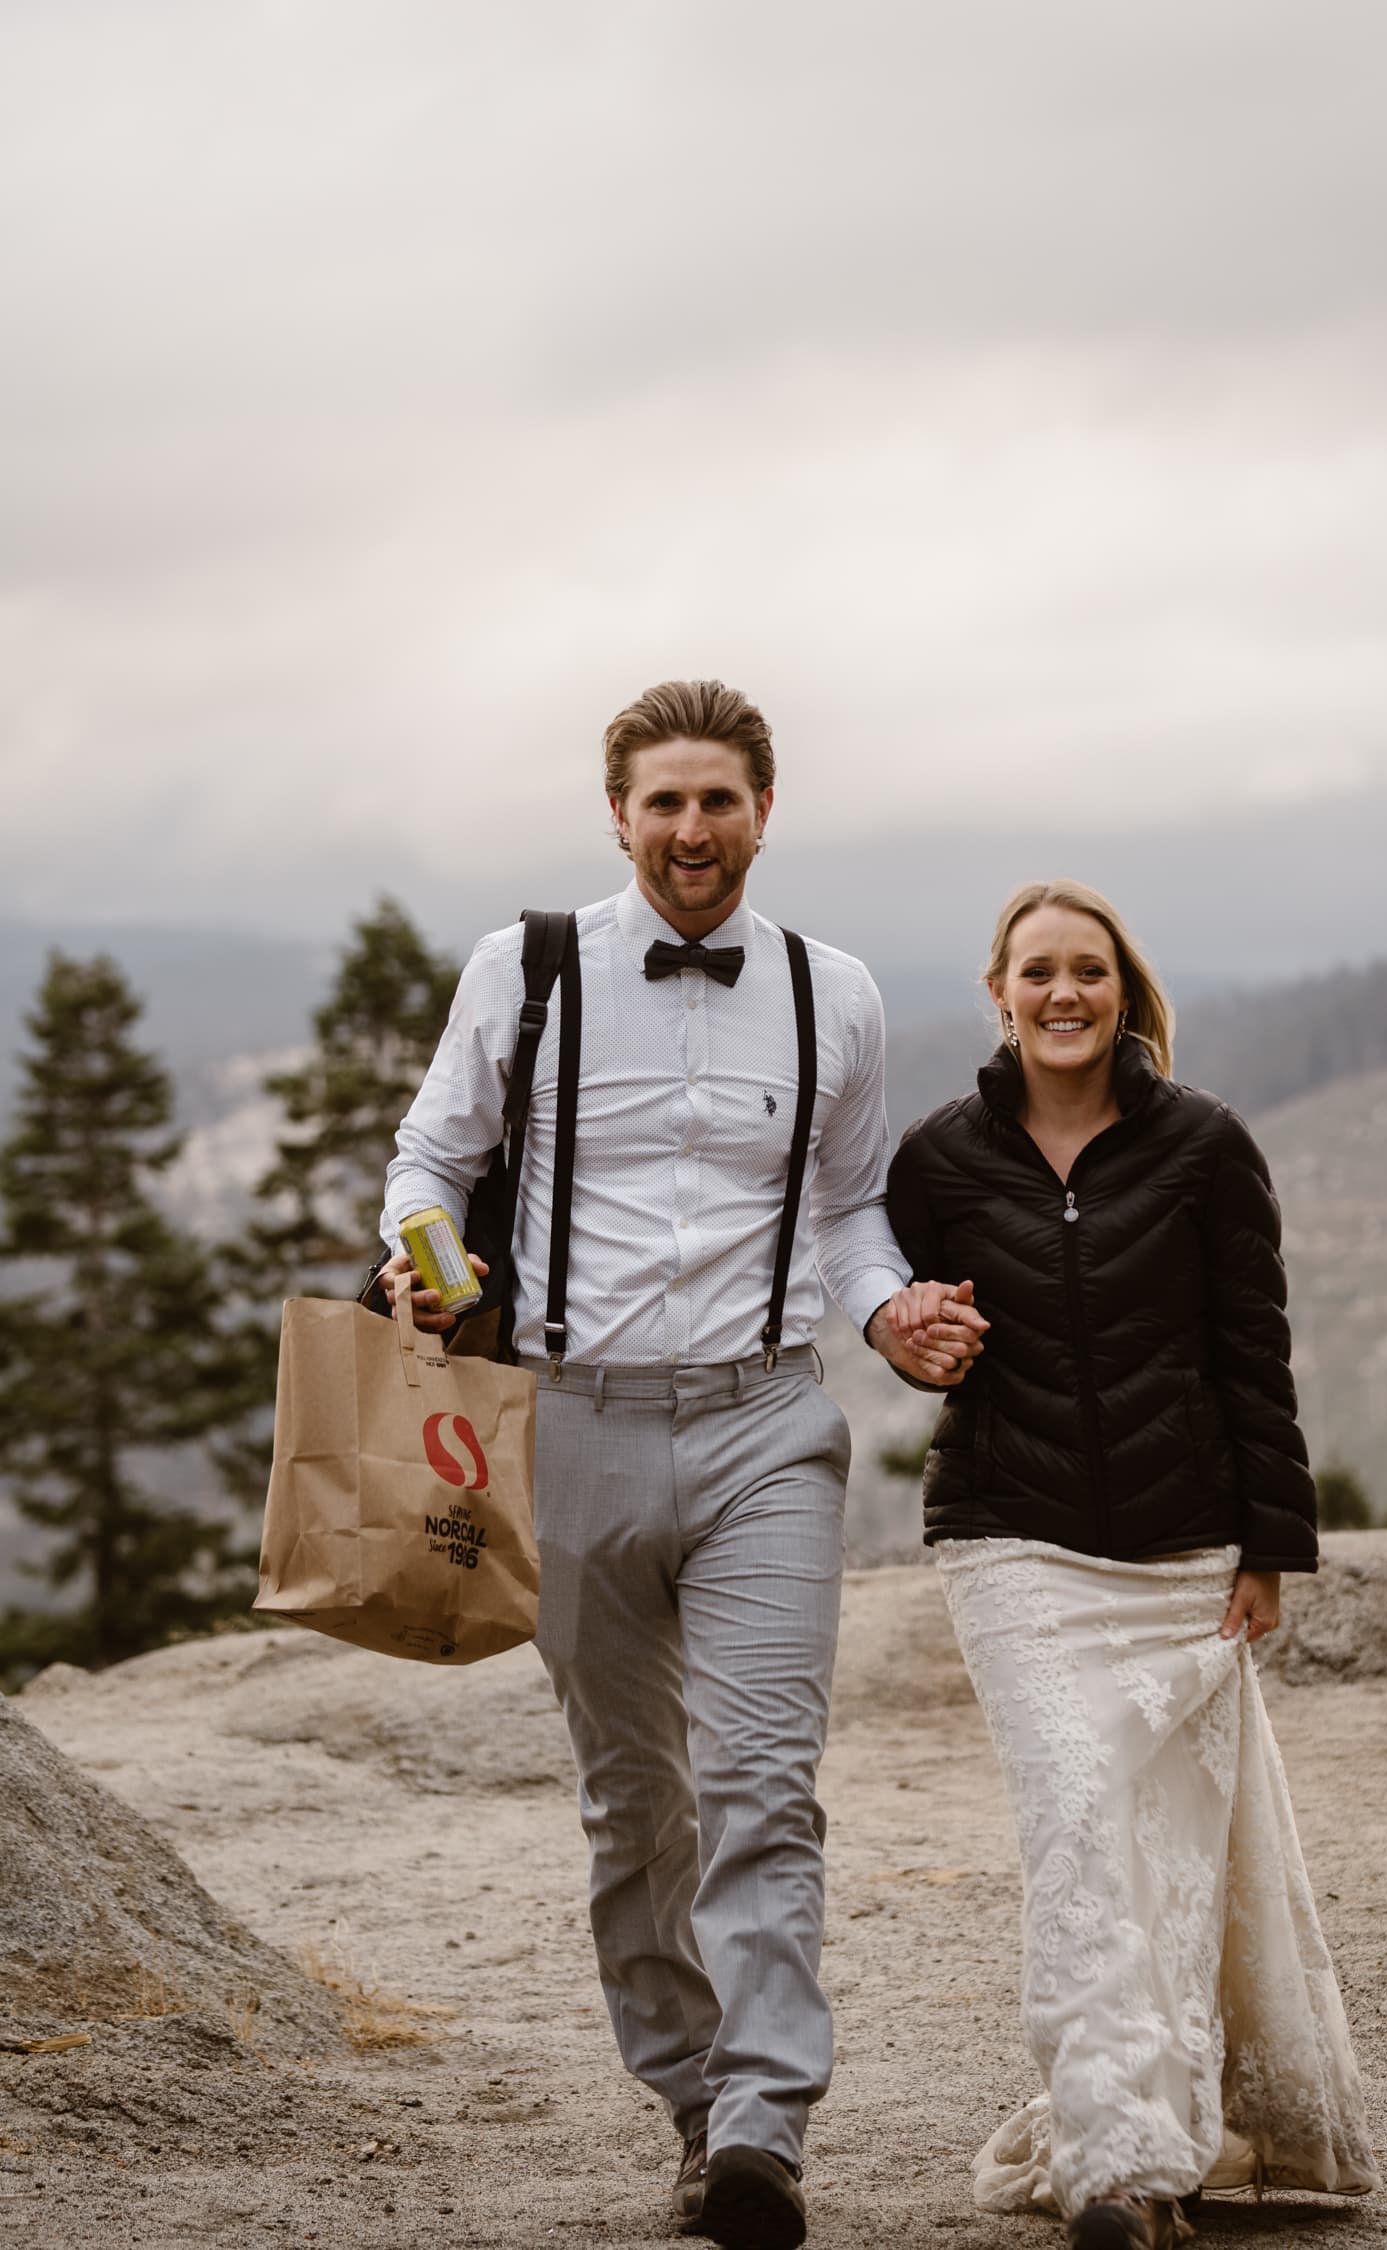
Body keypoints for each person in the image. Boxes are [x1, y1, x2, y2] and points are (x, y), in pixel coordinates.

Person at [372, 680, 987, 2250]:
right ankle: (693, 2093)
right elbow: (432, 1163)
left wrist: (888, 1304)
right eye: (664, 802)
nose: (692, 830)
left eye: (720, 800)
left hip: (768, 1425)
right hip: (568, 1422)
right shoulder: (527, 968)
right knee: (632, 1797)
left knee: (762, 1778)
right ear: (619, 815)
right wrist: (424, 1262)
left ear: (763, 812)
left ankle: (766, 2127)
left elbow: (850, 1212)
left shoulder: (830, 989)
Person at [883, 879, 1378, 2250]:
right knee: (1081, 1841)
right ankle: (1115, 2163)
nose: (1062, 993)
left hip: (1183, 1553)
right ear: (998, 990)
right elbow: (874, 1294)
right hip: (1012, 1542)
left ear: (1122, 988)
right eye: (1036, 970)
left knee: (1166, 1861)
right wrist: (897, 1326)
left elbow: (1252, 1355)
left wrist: (1271, 1544)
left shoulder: (1207, 1147)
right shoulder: (938, 1158)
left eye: (1086, 970)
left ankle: (1162, 2148)